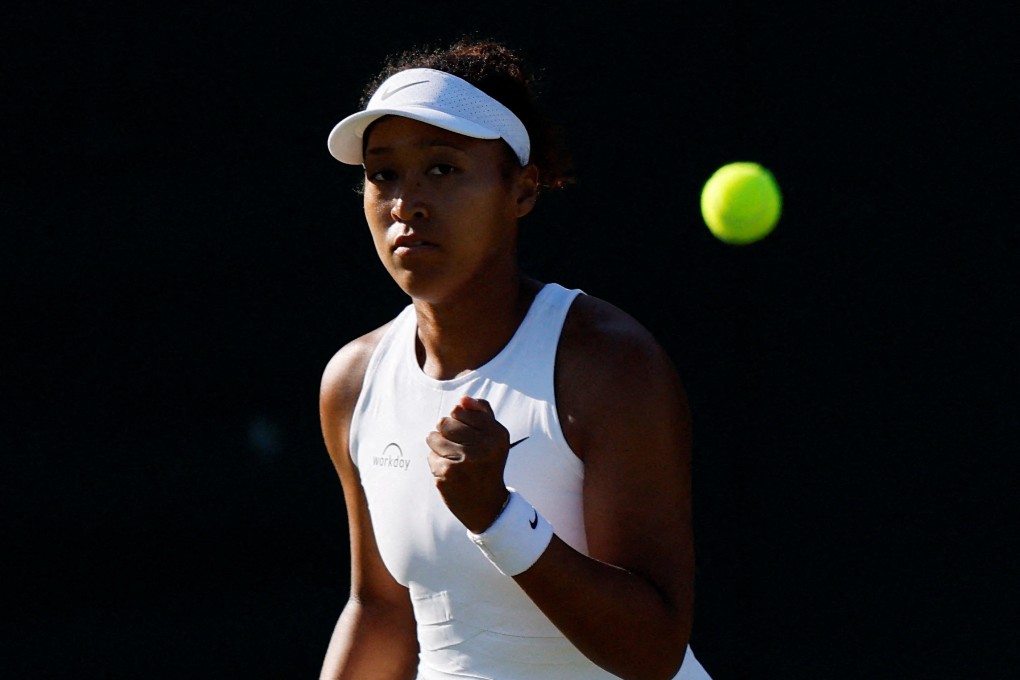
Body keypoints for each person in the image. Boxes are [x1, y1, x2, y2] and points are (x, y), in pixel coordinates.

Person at [318, 39, 712, 680]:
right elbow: (382, 609)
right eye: (383, 173)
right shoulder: (352, 382)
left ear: (522, 191)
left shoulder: (607, 364)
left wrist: (498, 517)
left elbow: (653, 652)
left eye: (443, 169)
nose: (406, 203)